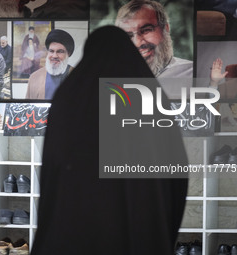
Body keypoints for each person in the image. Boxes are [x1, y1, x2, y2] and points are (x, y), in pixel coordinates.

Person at [31, 26, 188, 255]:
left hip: (72, 228)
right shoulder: (149, 97)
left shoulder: (69, 96)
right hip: (138, 228)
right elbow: (176, 171)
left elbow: (52, 168)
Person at [115, 0, 193, 99]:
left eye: (146, 30)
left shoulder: (193, 73)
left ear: (166, 28)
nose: (138, 42)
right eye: (128, 35)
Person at [26, 29, 74, 99]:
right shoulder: (34, 77)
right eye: (51, 51)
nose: (54, 56)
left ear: (68, 53)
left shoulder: (80, 77)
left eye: (60, 51)